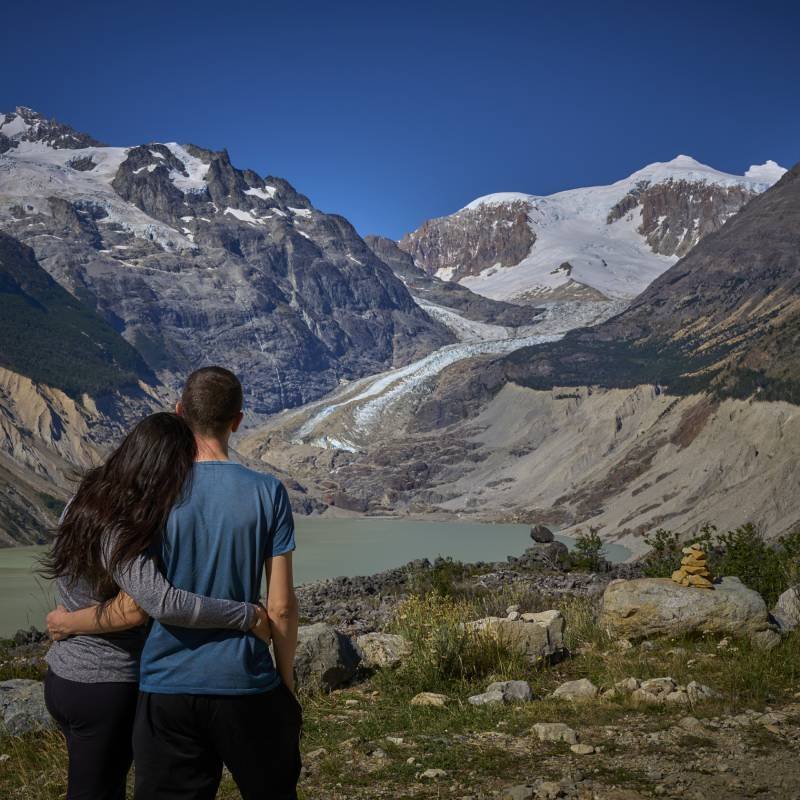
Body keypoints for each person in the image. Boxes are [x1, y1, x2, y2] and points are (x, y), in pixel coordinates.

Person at [42, 411, 272, 800]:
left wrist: (69, 624)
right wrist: (246, 614)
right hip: (105, 681)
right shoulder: (122, 525)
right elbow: (153, 603)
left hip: (64, 675)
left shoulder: (85, 499)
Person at [132, 366, 301, 800]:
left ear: (179, 412)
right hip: (245, 680)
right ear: (238, 421)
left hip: (167, 683)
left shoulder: (154, 491)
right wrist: (285, 683)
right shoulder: (268, 492)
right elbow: (280, 606)